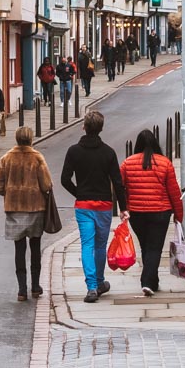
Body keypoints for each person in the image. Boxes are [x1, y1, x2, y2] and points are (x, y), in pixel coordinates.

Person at [60, 110, 127, 303]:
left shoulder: (74, 151)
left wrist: (79, 193)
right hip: (104, 205)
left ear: (84, 126)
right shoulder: (108, 152)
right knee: (99, 245)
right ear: (101, 128)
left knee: (86, 245)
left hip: (84, 205)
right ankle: (99, 282)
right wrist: (123, 208)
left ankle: (91, 287)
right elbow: (118, 182)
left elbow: (65, 180)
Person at [0, 127, 53, 302]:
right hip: (35, 208)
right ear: (31, 139)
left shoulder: (7, 158)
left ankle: (21, 290)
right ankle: (35, 286)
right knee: (35, 248)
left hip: (14, 209)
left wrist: (9, 193)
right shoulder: (37, 158)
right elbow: (47, 184)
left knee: (19, 249)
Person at [121, 128, 183, 296]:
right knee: (154, 248)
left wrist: (123, 207)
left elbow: (120, 188)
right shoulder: (165, 163)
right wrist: (179, 214)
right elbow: (174, 192)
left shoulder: (128, 163)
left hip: (137, 212)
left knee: (146, 247)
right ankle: (148, 282)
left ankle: (151, 281)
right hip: (160, 212)